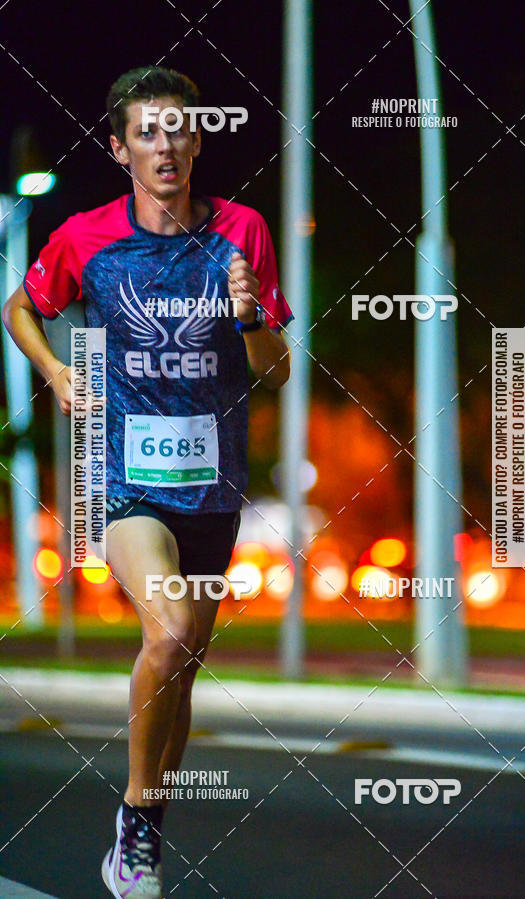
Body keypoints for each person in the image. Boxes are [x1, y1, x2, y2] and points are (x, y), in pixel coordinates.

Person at [1, 65, 292, 898]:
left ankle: (147, 824)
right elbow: (20, 305)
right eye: (148, 131)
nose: (166, 144)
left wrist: (247, 318)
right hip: (128, 478)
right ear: (122, 147)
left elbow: (272, 367)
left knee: (183, 662)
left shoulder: (243, 232)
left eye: (180, 129)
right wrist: (56, 370)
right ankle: (133, 825)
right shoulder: (87, 236)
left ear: (198, 141)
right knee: (165, 634)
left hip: (215, 488)